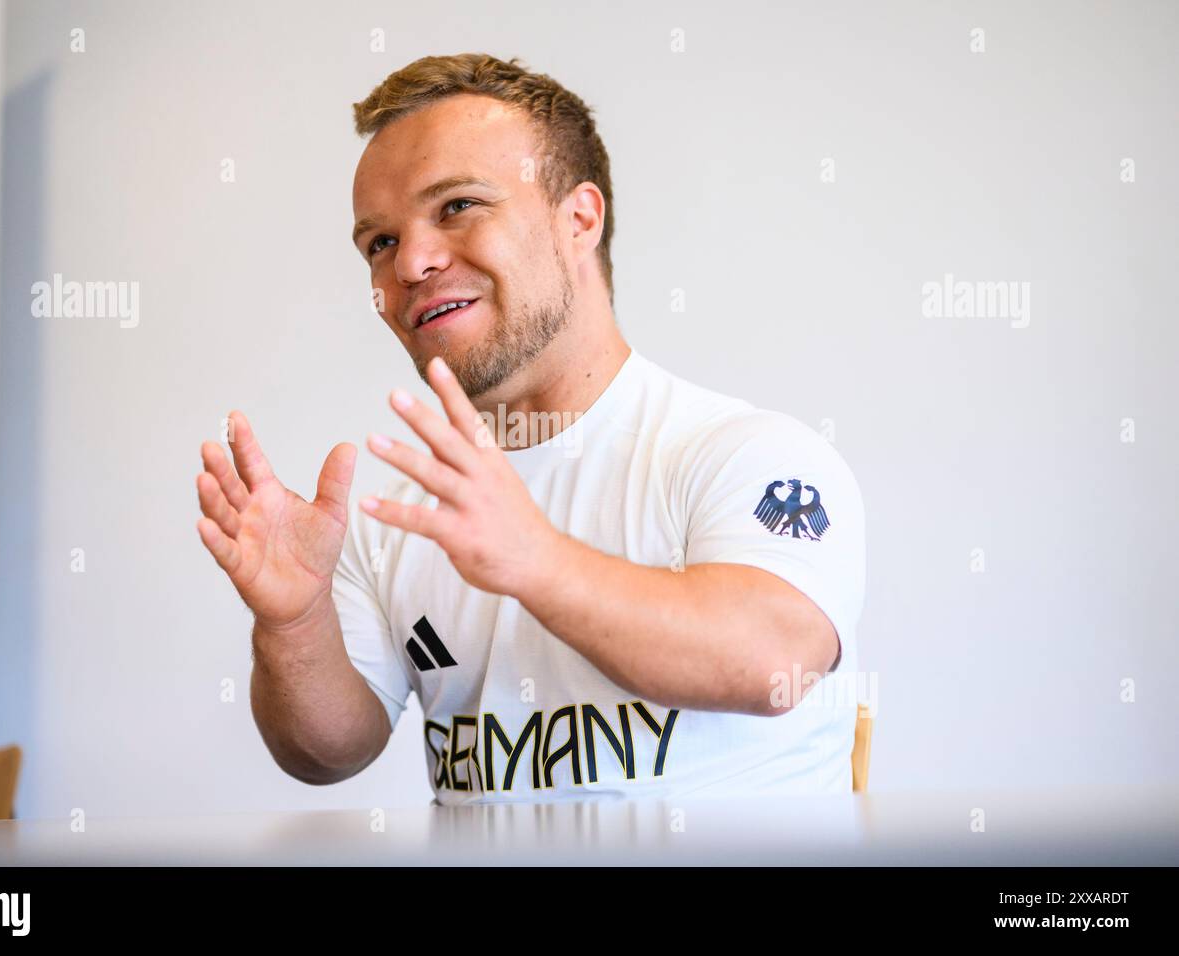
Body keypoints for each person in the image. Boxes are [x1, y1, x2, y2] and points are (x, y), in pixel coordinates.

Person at [195, 54, 866, 804]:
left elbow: (772, 662)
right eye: (379, 243)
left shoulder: (745, 456)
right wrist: (293, 621)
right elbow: (327, 752)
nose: (411, 263)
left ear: (578, 219)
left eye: (457, 206)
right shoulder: (396, 517)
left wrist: (534, 561)